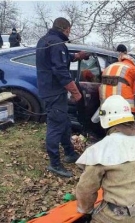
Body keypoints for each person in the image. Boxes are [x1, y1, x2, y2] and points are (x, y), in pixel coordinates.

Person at [76, 95, 135, 223]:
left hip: (121, 214)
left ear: (106, 120)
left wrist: (86, 211)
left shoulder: (100, 150)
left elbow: (86, 189)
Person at [36, 17, 90, 177]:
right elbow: (60, 70)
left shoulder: (45, 41)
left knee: (64, 122)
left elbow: (59, 59)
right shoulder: (56, 44)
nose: (69, 33)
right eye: (69, 30)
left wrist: (77, 56)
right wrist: (76, 92)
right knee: (55, 126)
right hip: (54, 91)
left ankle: (69, 153)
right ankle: (54, 164)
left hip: (48, 89)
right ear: (65, 29)